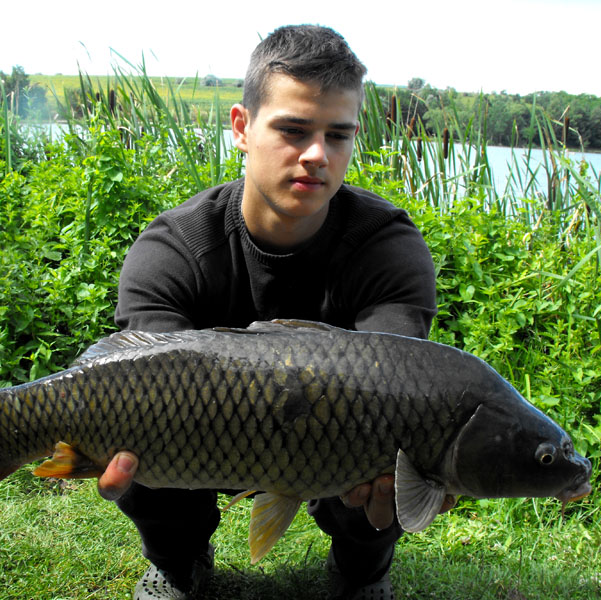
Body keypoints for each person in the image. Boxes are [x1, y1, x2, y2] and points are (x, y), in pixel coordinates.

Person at [96, 24, 453, 600]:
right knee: (137, 434)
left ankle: (362, 572)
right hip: (202, 435)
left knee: (384, 448)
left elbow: (397, 396)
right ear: (242, 127)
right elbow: (140, 381)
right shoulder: (173, 250)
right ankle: (179, 561)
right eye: (292, 130)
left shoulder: (386, 247)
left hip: (328, 438)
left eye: (338, 135)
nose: (317, 155)